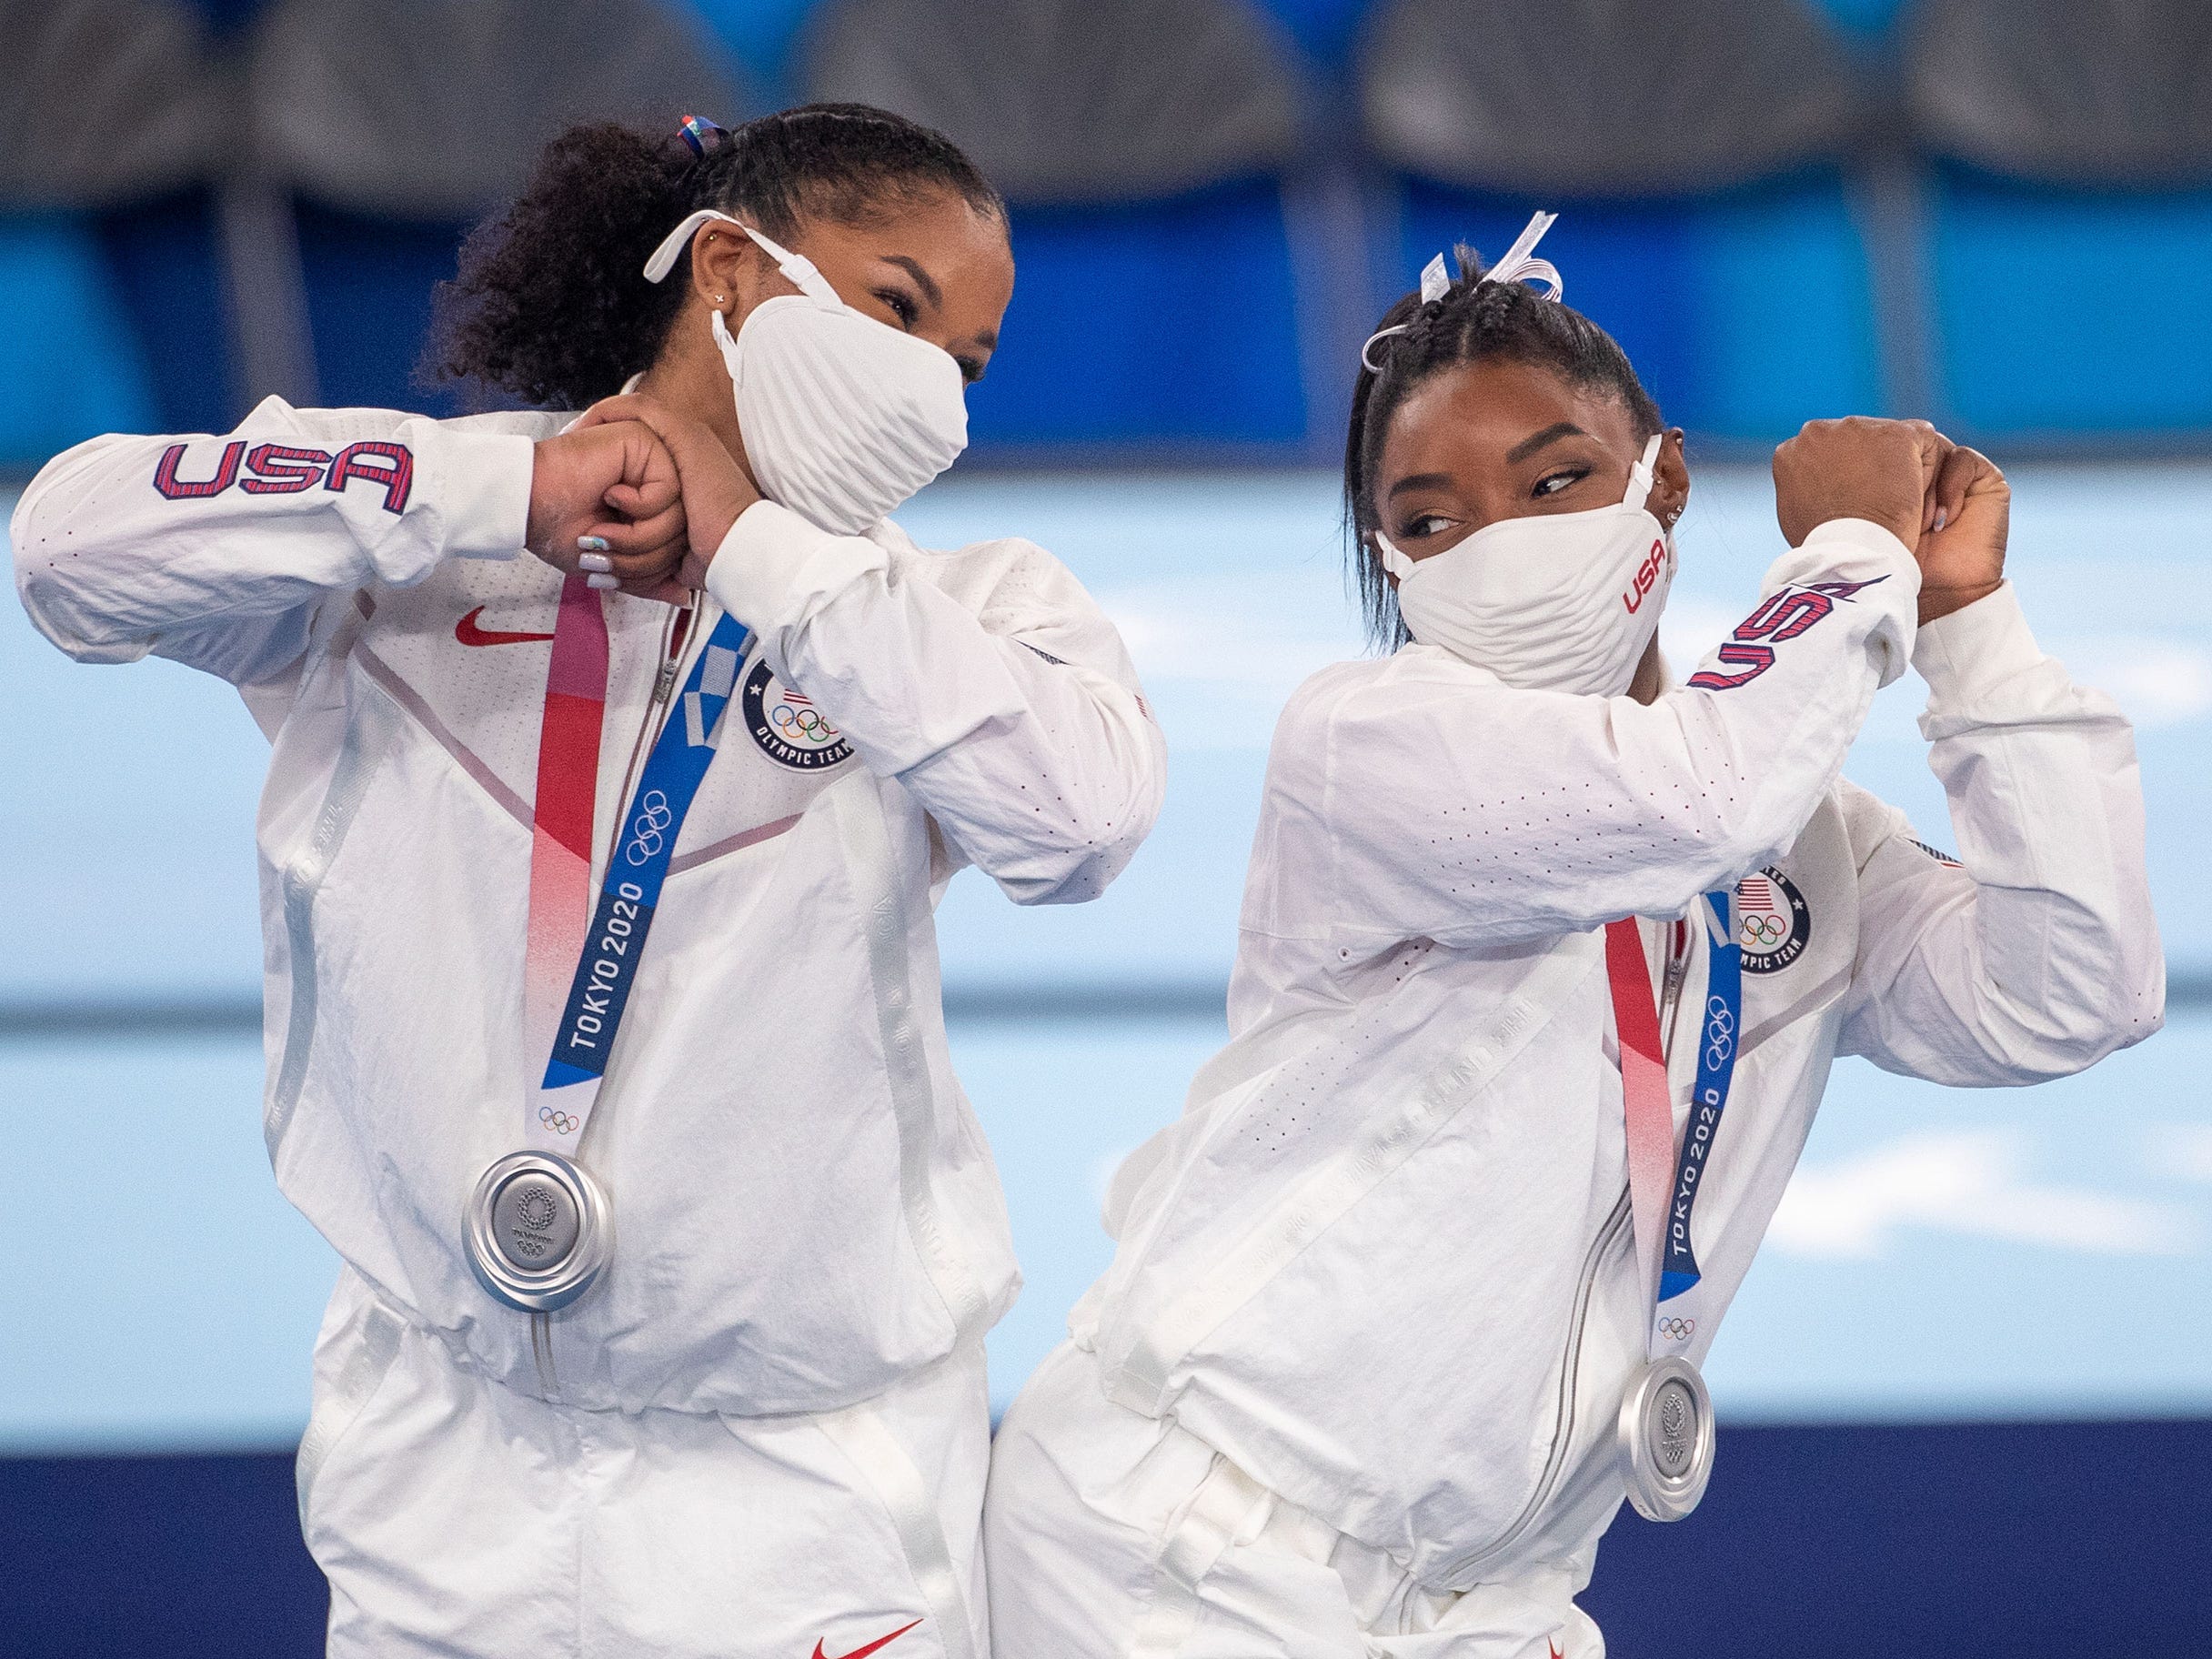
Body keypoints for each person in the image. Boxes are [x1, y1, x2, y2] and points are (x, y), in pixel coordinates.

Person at [13, 106, 1165, 1659]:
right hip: (440, 1462)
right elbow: (68, 547)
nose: (935, 396)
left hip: (802, 1490)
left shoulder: (948, 610)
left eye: (964, 364)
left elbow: (1080, 823)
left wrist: (765, 552)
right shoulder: (418, 528)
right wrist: (499, 498)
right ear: (737, 276)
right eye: (900, 309)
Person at [982, 218, 2161, 1658]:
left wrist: (1973, 622)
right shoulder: (1364, 745)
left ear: (1662, 483)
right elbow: (1693, 798)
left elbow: (2071, 995)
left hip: (1504, 1597)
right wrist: (1857, 554)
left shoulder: (1805, 849)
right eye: (1431, 522)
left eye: (1554, 484)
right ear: (1389, 565)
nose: (1500, 549)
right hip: (1185, 1554)